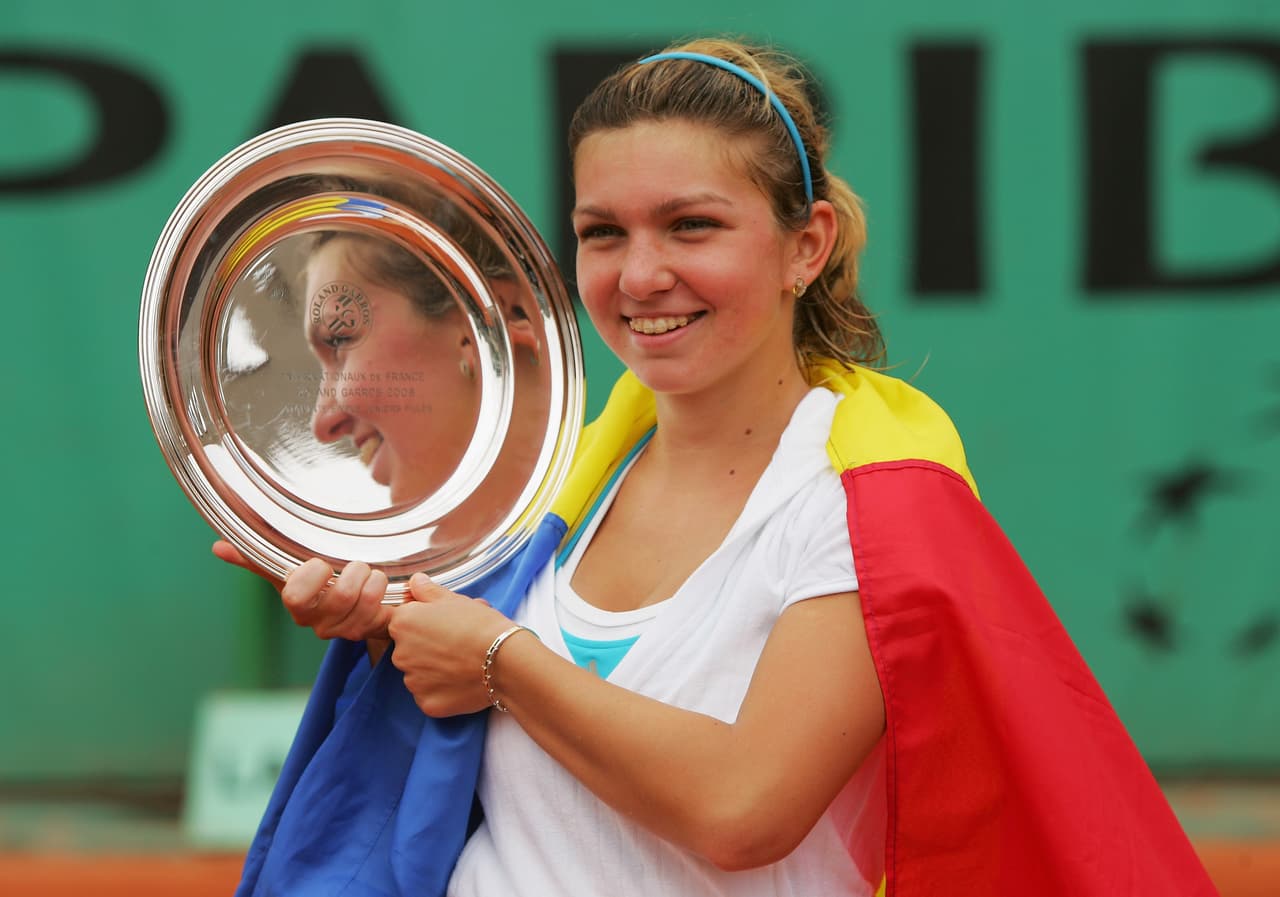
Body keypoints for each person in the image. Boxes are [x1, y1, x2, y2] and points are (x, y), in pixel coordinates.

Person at [223, 37, 1219, 897]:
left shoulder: (857, 508)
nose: (640, 274)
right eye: (601, 233)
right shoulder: (560, 492)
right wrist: (385, 624)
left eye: (690, 225)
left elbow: (742, 808)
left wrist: (495, 661)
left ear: (804, 246)